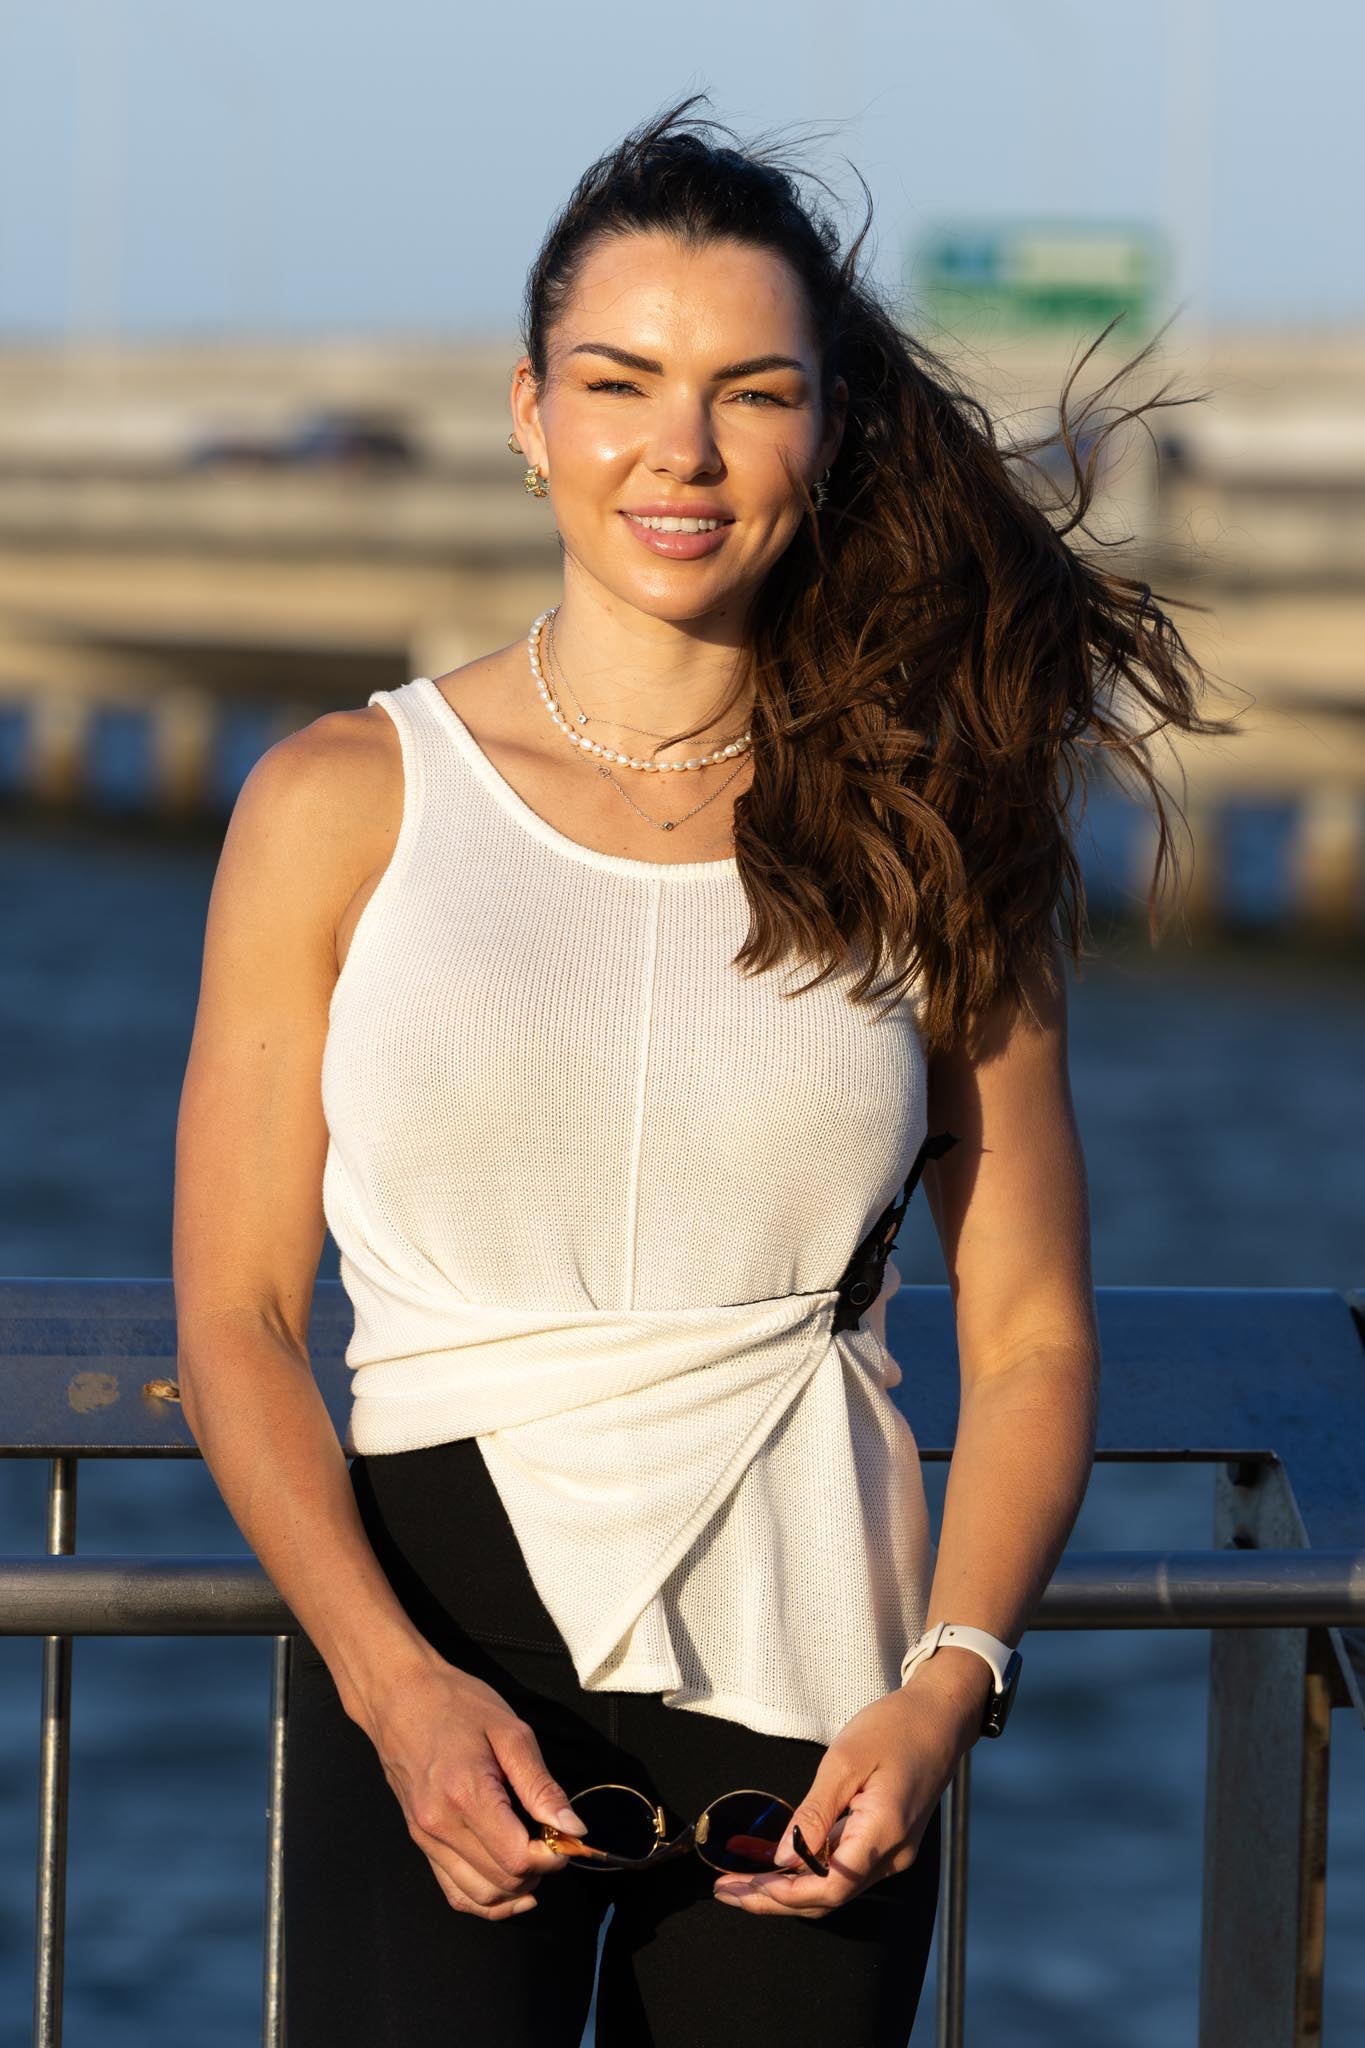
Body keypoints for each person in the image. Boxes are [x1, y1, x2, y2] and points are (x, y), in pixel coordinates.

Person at [172, 96, 1231, 2048]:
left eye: (751, 391)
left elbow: (1026, 1333)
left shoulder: (931, 824)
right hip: (439, 1673)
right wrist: (392, 1690)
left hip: (820, 1706)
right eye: (618, 382)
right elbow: (236, 1315)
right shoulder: (340, 800)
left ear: (822, 431)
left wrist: (946, 1686)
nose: (681, 448)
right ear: (527, 413)